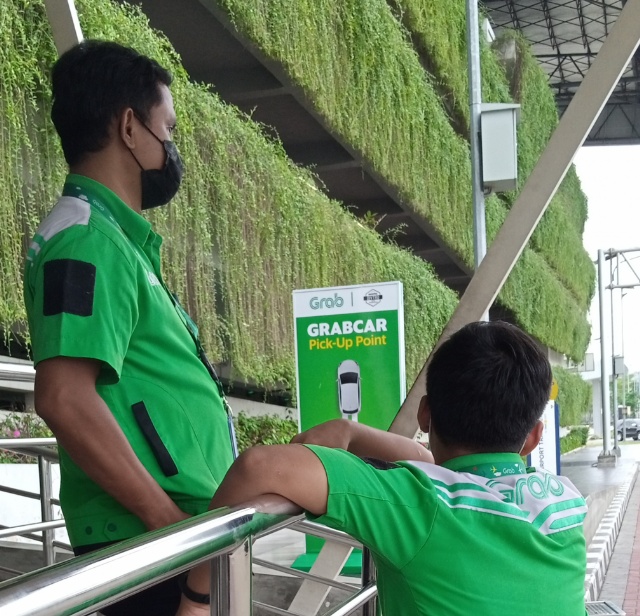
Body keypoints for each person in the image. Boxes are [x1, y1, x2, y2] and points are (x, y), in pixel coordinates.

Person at [23, 40, 235, 615]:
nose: (171, 147)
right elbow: (64, 397)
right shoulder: (87, 241)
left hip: (164, 539)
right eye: (167, 128)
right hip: (149, 545)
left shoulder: (115, 242)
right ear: (128, 127)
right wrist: (168, 525)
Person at [177, 321, 587, 616]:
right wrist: (351, 432)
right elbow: (438, 466)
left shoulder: (421, 506)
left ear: (425, 414)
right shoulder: (565, 503)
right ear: (533, 436)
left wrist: (198, 601)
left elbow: (260, 466)